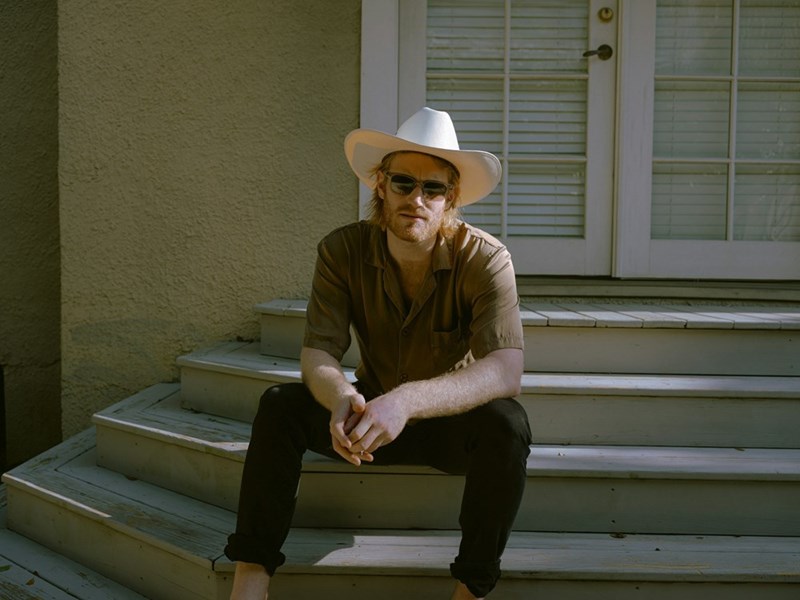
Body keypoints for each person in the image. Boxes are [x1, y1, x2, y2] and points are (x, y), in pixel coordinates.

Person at [225, 107, 532, 600]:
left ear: (450, 198)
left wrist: (406, 402)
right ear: (380, 186)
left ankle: (470, 591)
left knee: (508, 424)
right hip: (366, 420)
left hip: (447, 424)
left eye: (433, 188)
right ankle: (250, 583)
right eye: (404, 182)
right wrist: (341, 395)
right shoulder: (341, 251)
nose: (417, 199)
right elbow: (318, 352)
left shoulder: (486, 258)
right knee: (280, 405)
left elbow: (505, 370)